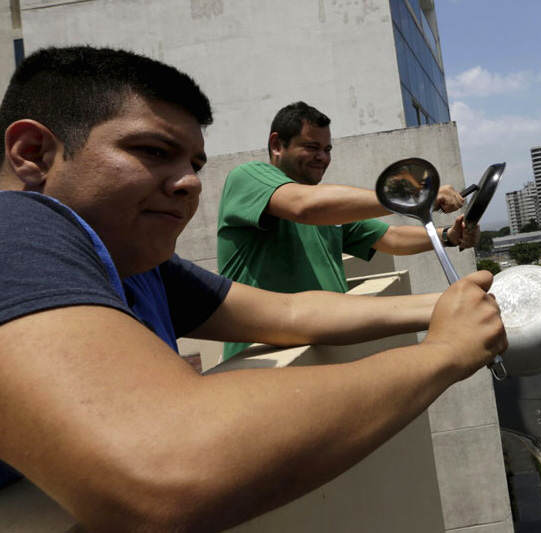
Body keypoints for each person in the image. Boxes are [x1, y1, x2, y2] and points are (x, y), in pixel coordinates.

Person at [0, 47, 506, 531]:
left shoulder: (135, 262)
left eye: (194, 165)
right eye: (153, 151)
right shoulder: (15, 230)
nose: (190, 183)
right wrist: (441, 355)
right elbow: (164, 469)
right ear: (32, 152)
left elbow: (289, 315)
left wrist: (454, 308)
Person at [217, 101, 481, 359]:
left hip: (323, 355)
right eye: (311, 147)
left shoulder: (328, 208)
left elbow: (391, 238)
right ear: (277, 145)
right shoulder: (248, 178)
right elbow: (303, 207)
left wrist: (447, 235)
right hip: (263, 363)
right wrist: (413, 193)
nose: (322, 157)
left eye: (327, 149)